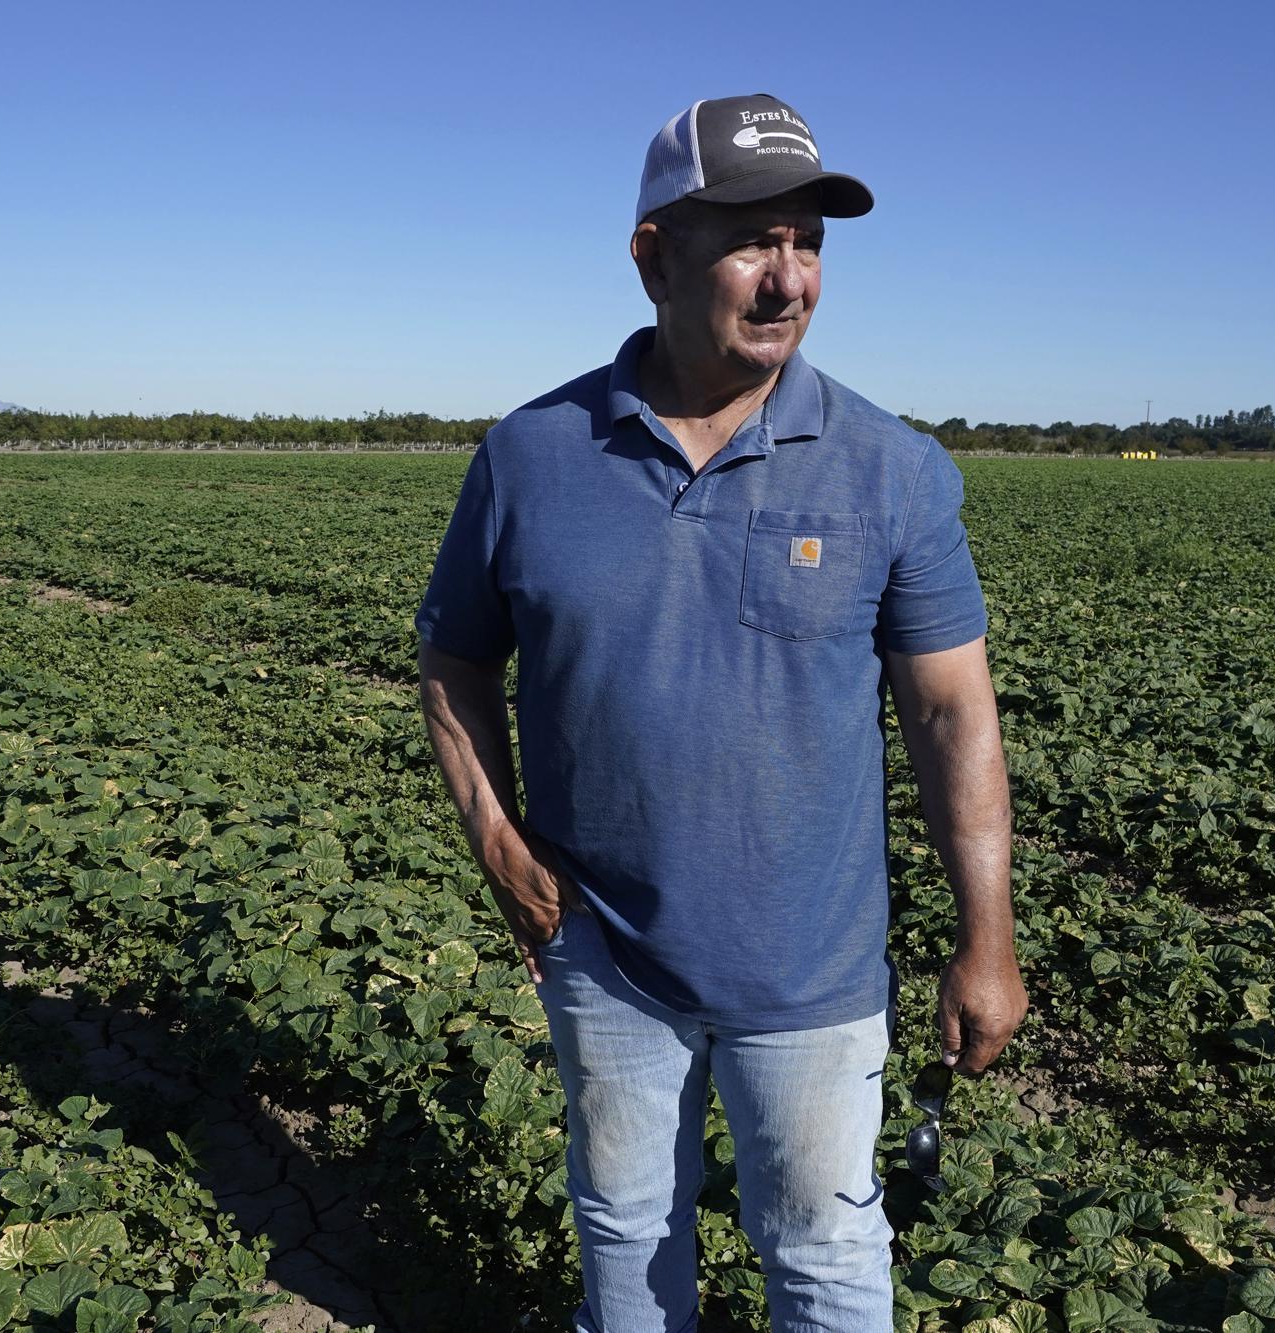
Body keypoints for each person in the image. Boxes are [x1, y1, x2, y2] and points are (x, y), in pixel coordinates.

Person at [414, 92, 1028, 1332]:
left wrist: (986, 938)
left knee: (823, 1254)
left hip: (810, 968)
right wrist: (501, 848)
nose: (786, 278)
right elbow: (452, 661)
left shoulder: (890, 467)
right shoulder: (531, 454)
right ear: (653, 255)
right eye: (752, 240)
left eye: (806, 242)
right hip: (605, 952)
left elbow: (954, 713)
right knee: (625, 1235)